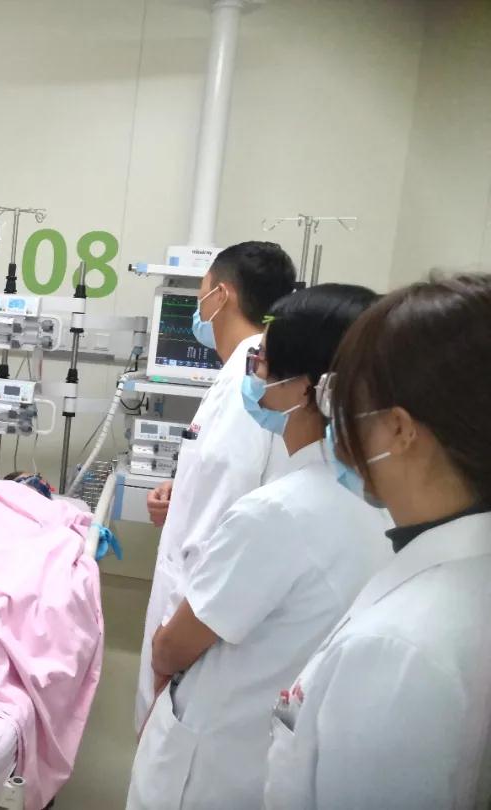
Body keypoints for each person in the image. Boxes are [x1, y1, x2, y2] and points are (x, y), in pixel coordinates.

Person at [126, 284, 391, 809]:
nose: (253, 376)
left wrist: (162, 649)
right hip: (275, 750)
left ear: (307, 388)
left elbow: (173, 648)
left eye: (263, 363)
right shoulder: (375, 501)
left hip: (213, 765)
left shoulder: (279, 513)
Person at [263, 273, 491, 809]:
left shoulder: (400, 650)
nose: (337, 425)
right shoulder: (462, 575)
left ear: (400, 429)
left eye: (345, 402)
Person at [135, 241, 296, 730]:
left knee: (165, 750)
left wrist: (169, 651)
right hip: (200, 618)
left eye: (201, 294)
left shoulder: (251, 381)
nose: (198, 310)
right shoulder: (240, 375)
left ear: (220, 296)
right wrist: (180, 491)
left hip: (192, 631)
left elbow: (219, 524)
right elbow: (222, 480)